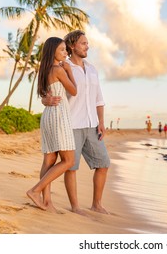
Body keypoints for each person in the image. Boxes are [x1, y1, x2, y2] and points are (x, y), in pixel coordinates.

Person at [42, 30, 111, 215]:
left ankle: (97, 204)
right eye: (83, 43)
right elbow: (48, 90)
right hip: (70, 123)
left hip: (92, 124)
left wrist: (101, 122)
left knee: (103, 163)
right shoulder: (64, 66)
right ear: (72, 46)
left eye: (87, 43)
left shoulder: (92, 69)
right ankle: (75, 207)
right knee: (71, 167)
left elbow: (99, 98)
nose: (87, 46)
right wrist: (45, 100)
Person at [27, 37, 77, 212]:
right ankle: (35, 191)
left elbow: (44, 94)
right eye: (62, 50)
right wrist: (69, 70)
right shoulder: (58, 69)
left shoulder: (45, 70)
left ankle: (47, 201)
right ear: (53, 51)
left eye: (66, 50)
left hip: (48, 115)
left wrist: (45, 100)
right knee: (69, 160)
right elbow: (74, 90)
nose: (66, 53)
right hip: (58, 115)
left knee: (49, 160)